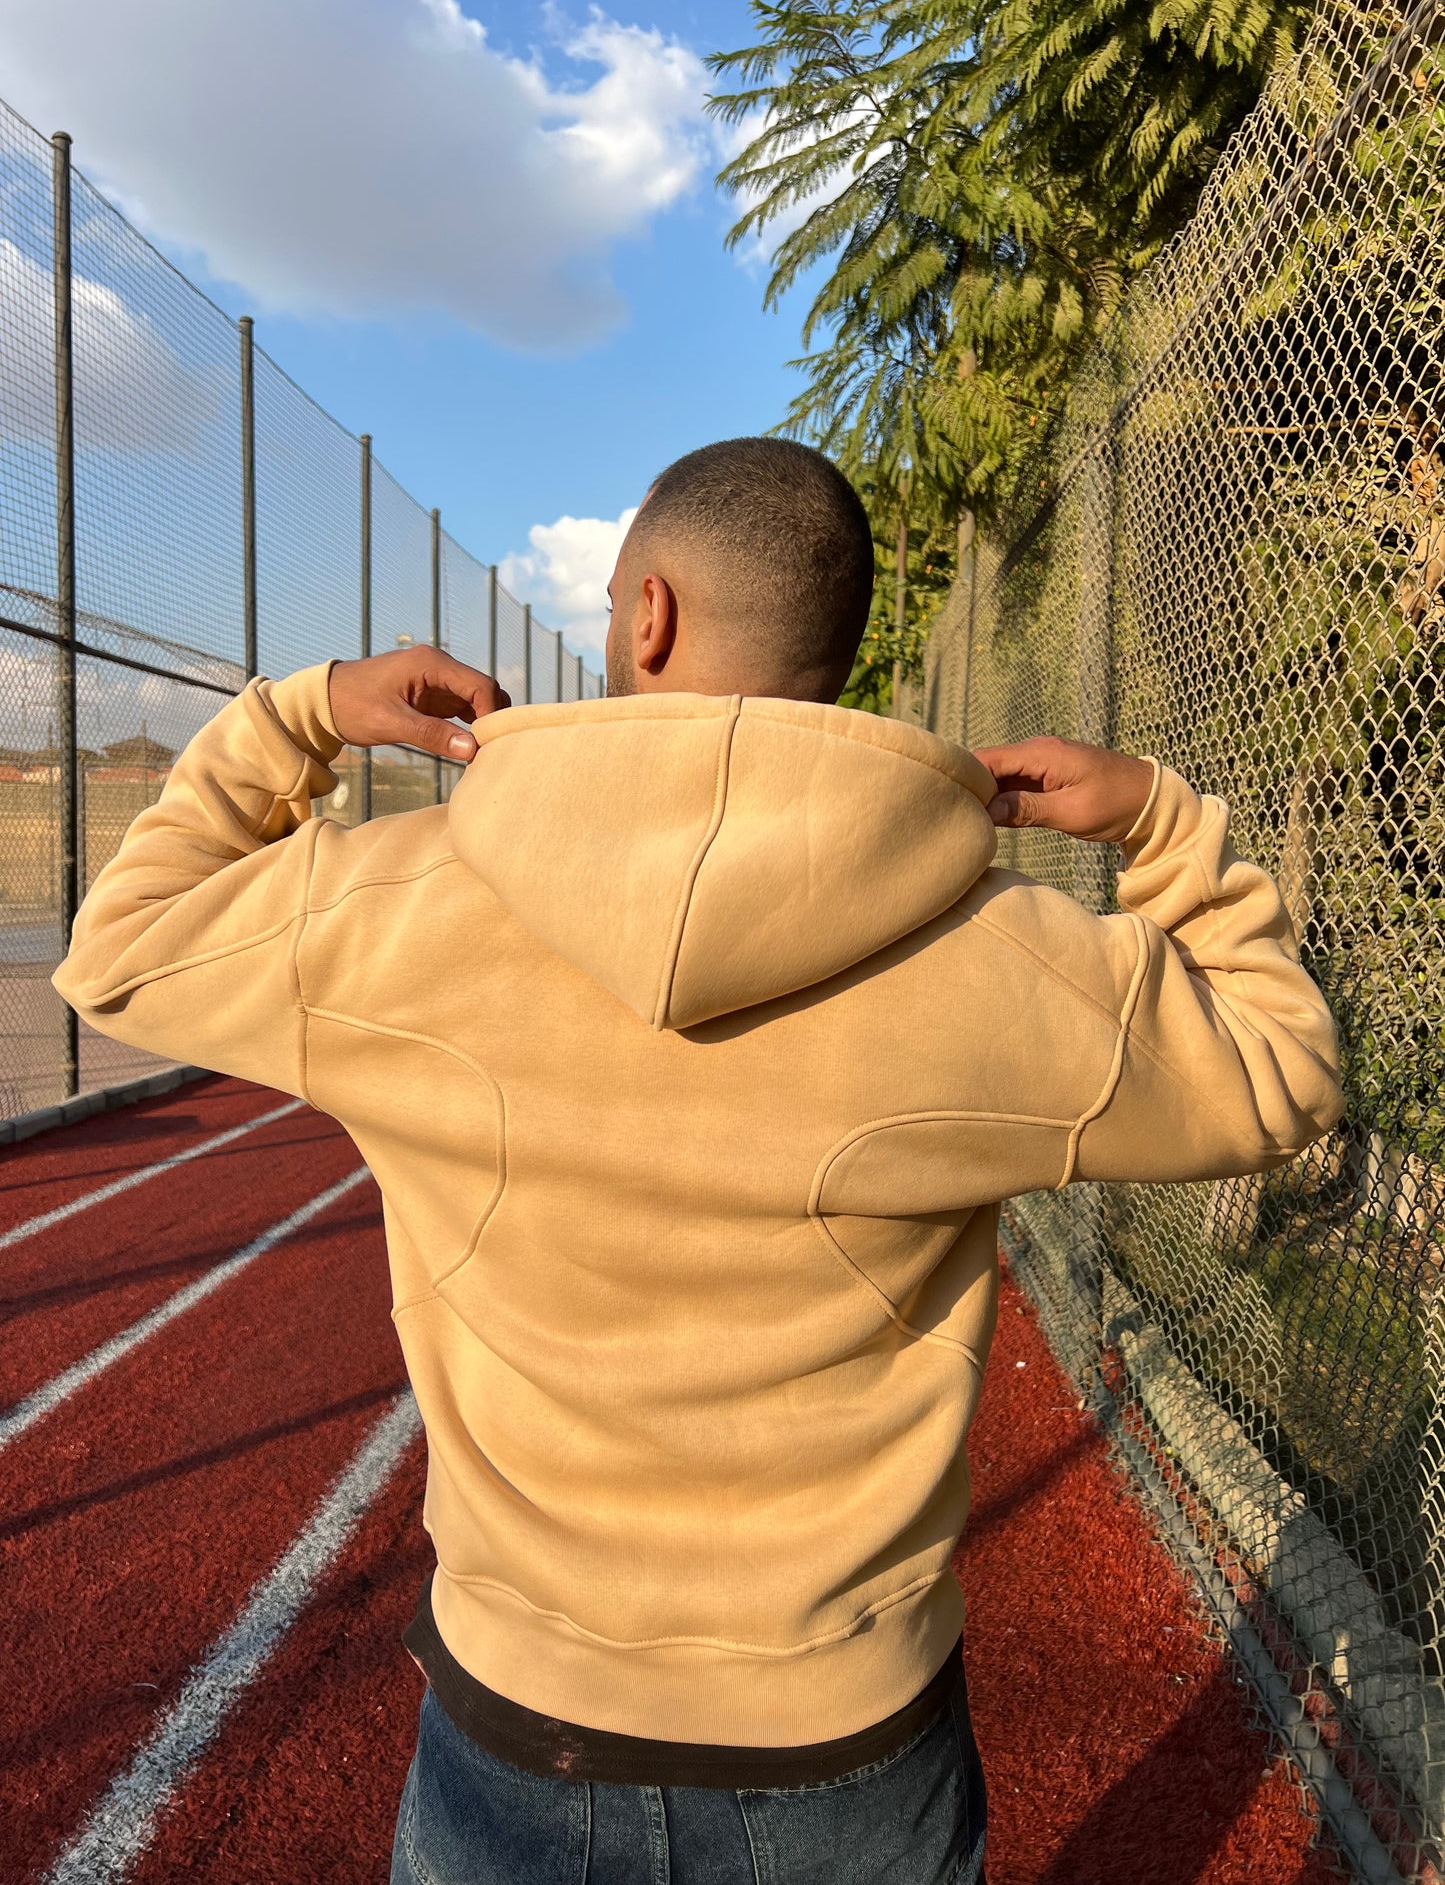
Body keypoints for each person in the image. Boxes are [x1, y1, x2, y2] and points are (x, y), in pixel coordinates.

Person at [53, 436, 1345, 1885]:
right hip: (848, 1737)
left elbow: (118, 950)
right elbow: (1281, 1072)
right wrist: (1161, 825)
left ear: (648, 616)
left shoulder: (395, 913)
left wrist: (298, 717)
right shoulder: (1011, 964)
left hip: (523, 1723)